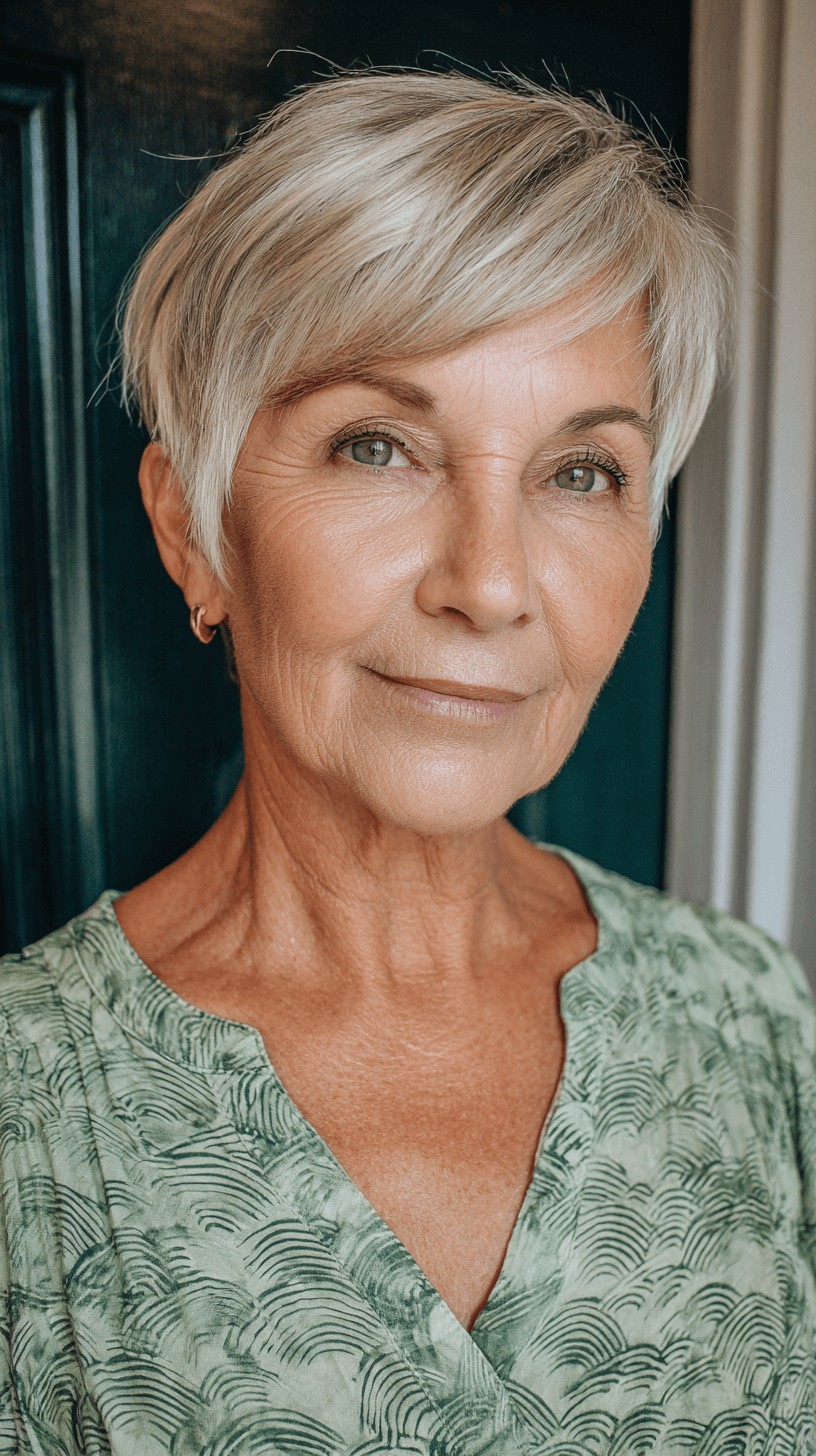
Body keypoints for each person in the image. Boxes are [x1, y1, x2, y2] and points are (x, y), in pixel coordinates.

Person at [2, 66, 814, 1455]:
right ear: (195, 533)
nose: (490, 585)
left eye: (581, 473)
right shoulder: (30, 1112)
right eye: (378, 446)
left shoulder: (753, 1019)